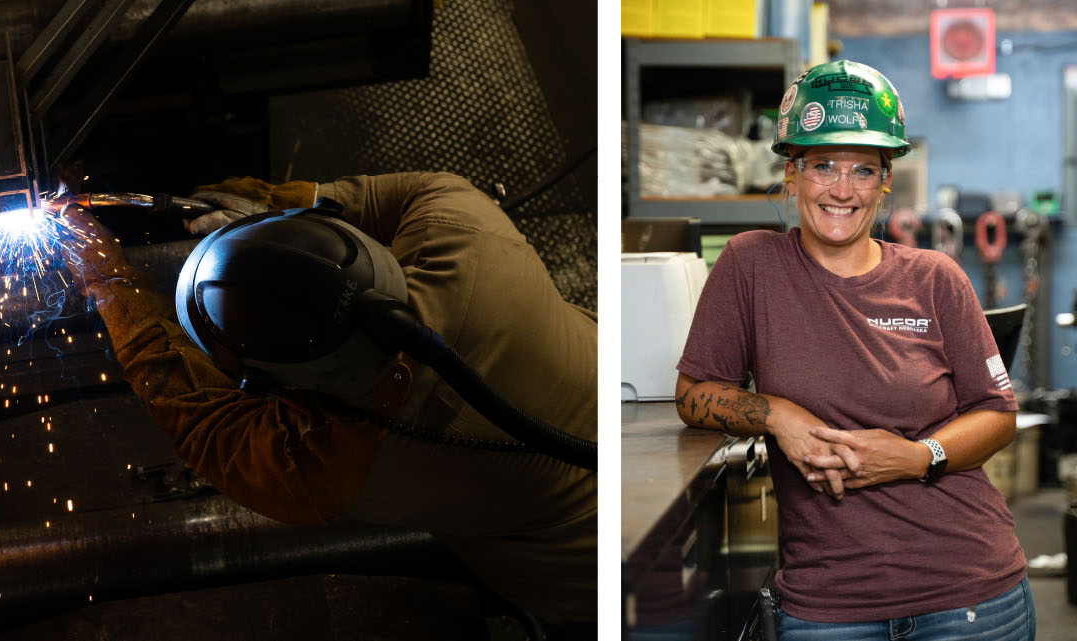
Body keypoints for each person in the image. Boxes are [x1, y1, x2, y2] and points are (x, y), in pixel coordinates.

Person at [60, 171, 597, 626]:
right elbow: (372, 198)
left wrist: (107, 278)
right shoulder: (463, 227)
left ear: (263, 377)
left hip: (593, 586)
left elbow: (198, 420)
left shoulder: (318, 465)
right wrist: (272, 208)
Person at [676, 60, 1033, 638]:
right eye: (822, 166)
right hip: (829, 603)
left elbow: (997, 413)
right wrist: (778, 415)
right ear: (791, 174)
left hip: (971, 593)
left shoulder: (936, 278)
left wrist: (918, 457)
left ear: (885, 181)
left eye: (863, 170)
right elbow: (693, 394)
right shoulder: (750, 265)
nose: (841, 190)